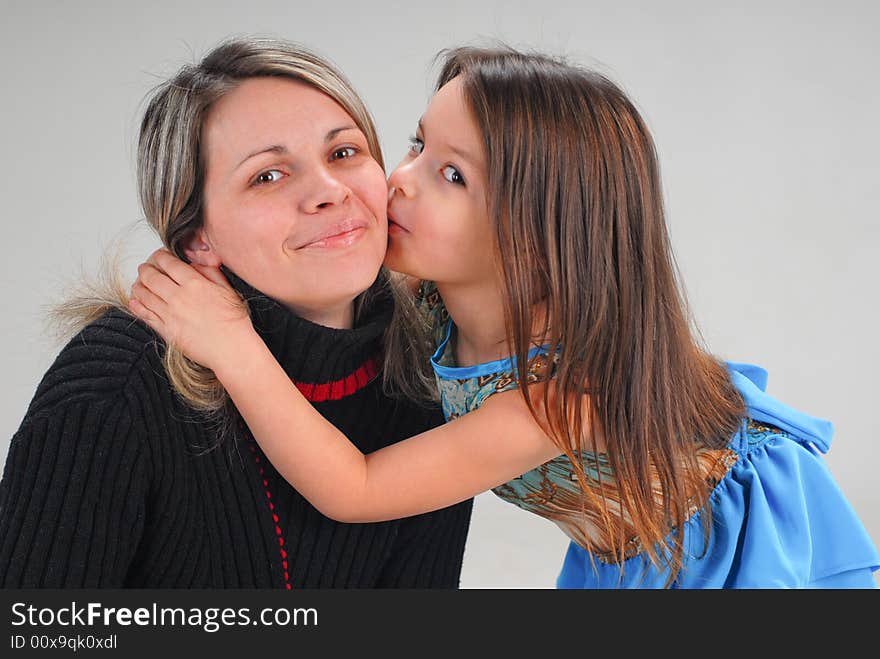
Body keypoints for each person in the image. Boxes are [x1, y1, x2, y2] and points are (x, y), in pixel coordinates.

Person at [127, 45, 880, 588]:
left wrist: (230, 345)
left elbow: (355, 487)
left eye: (452, 174)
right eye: (419, 144)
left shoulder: (566, 390)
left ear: (540, 238)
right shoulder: (423, 296)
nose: (401, 180)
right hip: (619, 544)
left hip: (718, 548)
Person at [0, 37, 475, 589]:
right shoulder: (114, 391)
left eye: (343, 153)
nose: (329, 192)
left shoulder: (429, 379)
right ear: (197, 237)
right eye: (267, 175)